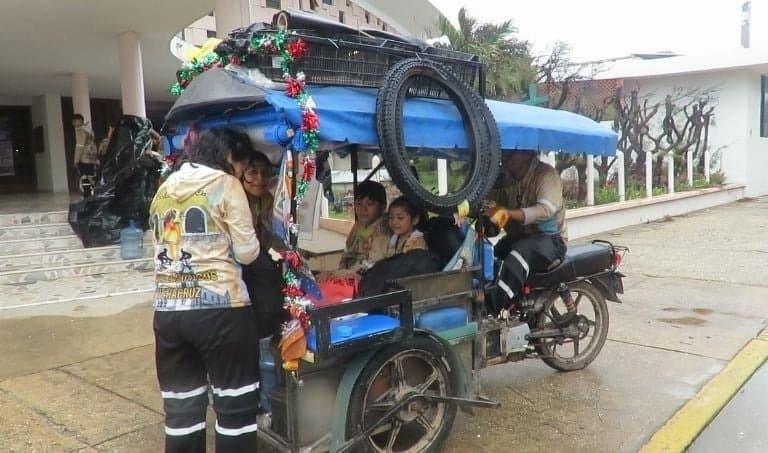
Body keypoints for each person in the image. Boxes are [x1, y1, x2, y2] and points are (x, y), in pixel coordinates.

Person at [149, 127, 261, 453]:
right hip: (221, 311)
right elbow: (247, 252)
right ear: (231, 157)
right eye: (242, 166)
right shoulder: (225, 184)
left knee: (182, 411)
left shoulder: (164, 187)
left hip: (168, 314)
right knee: (235, 410)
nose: (242, 173)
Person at [483, 150, 567, 312]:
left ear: (528, 153)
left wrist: (506, 213)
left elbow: (545, 210)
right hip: (522, 236)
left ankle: (491, 308)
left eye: (513, 152)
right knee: (492, 254)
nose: (506, 157)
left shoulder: (546, 175)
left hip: (551, 240)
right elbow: (495, 206)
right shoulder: (506, 178)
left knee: (520, 252)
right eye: (505, 153)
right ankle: (510, 302)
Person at [240, 150, 287, 339]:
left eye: (265, 173)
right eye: (253, 172)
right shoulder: (235, 199)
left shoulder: (268, 199)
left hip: (261, 258)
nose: (260, 179)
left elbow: (272, 236)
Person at [338, 180, 390, 272]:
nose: (363, 209)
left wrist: (346, 273)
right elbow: (347, 250)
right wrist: (342, 266)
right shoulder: (358, 226)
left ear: (383, 207)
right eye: (358, 204)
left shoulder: (385, 230)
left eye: (369, 204)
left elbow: (374, 263)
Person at [72, 114, 98, 196]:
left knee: (84, 177)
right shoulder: (89, 129)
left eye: (74, 121)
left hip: (84, 158)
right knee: (91, 176)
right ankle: (96, 193)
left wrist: (76, 160)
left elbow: (80, 146)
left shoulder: (79, 130)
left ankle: (87, 197)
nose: (73, 123)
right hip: (92, 158)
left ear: (80, 121)